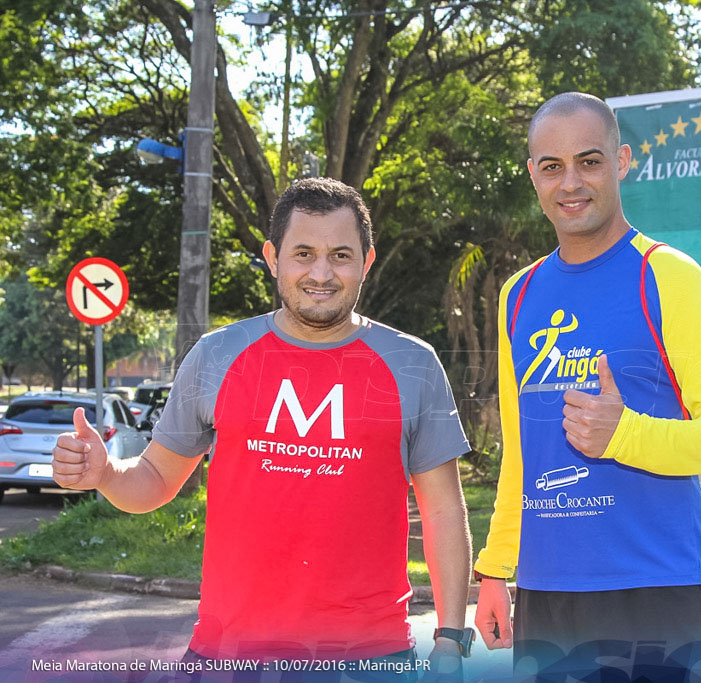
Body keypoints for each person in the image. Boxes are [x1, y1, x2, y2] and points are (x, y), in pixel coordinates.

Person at [51, 178, 473, 677]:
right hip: (229, 655)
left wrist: (449, 638)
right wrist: (105, 475)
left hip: (370, 657)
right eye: (303, 253)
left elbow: (444, 509)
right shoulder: (216, 355)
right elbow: (156, 481)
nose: (321, 272)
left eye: (340, 254)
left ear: (367, 261)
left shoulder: (412, 363)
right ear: (273, 258)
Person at [472, 92, 701, 675]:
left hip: (658, 590)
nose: (570, 182)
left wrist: (625, 434)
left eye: (590, 161)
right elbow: (519, 454)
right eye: (552, 167)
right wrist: (497, 569)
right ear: (533, 176)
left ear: (622, 161)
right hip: (549, 594)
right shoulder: (518, 295)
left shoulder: (669, 276)